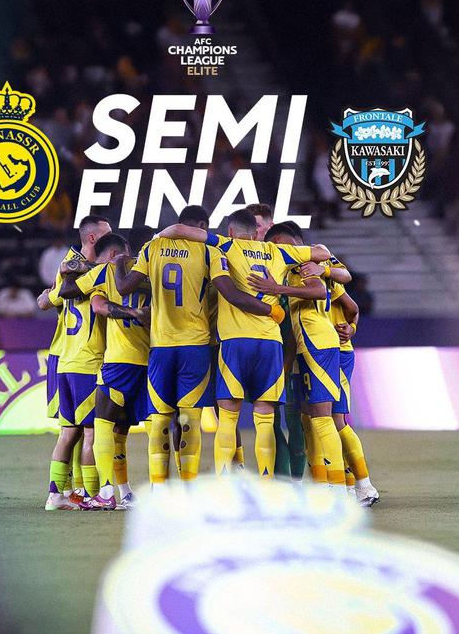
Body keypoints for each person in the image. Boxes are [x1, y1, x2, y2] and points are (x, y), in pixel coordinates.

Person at [115, 205, 283, 490]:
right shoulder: (210, 252)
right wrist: (270, 308)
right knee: (190, 419)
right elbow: (229, 292)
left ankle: (158, 488)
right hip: (196, 345)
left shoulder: (152, 248)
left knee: (160, 420)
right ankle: (189, 488)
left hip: (161, 345)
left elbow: (124, 288)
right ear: (202, 227)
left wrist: (120, 263)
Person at [157, 209, 330, 479]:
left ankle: (224, 485)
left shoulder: (226, 245)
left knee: (228, 417)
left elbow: (180, 230)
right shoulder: (278, 252)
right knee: (265, 418)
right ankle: (267, 484)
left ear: (230, 231)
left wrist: (158, 236)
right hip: (270, 343)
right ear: (255, 233)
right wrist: (322, 268)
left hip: (235, 342)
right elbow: (321, 252)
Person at [247, 224, 345, 488]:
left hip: (319, 343)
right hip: (307, 345)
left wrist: (277, 289)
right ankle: (324, 485)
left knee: (323, 419)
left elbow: (319, 290)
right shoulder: (294, 268)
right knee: (311, 418)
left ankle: (340, 490)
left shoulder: (303, 264)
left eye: (277, 245)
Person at [60, 232, 151, 509]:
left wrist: (71, 268)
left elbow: (67, 291)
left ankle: (107, 490)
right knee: (124, 432)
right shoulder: (149, 269)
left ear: (111, 256)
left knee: (102, 424)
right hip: (149, 360)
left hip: (118, 361)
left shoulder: (106, 273)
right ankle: (128, 492)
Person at [38, 215, 111, 511]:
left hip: (66, 359)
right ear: (93, 238)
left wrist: (49, 295)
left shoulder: (69, 267)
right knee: (91, 431)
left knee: (71, 432)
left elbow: (48, 300)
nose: (112, 238)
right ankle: (91, 494)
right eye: (107, 233)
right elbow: (48, 300)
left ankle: (61, 492)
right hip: (85, 359)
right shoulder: (88, 270)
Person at [329, 280, 379, 507]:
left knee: (335, 420)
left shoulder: (324, 270)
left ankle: (364, 485)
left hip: (336, 351)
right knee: (315, 422)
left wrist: (352, 328)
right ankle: (349, 487)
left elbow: (353, 308)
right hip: (312, 350)